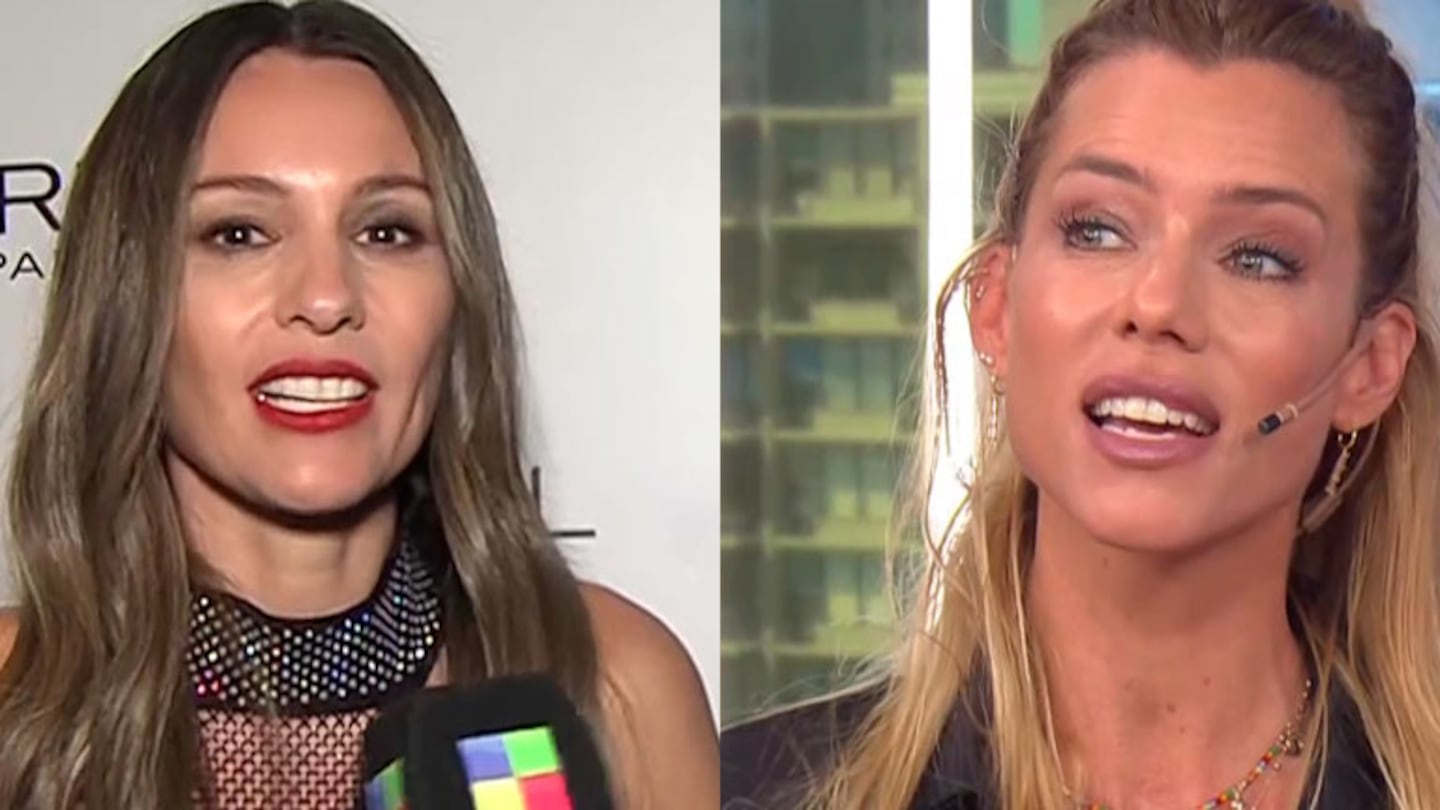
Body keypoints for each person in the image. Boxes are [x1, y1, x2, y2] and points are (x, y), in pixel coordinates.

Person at [722, 0, 1440, 807]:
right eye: (1097, 230)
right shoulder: (743, 788)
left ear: (1369, 366)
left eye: (1259, 258)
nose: (1159, 304)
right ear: (996, 306)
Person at [0, 2, 717, 808]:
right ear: (126, 297)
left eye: (386, 232)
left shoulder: (612, 687)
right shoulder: (15, 714)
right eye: (238, 233)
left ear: (456, 296)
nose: (326, 297)